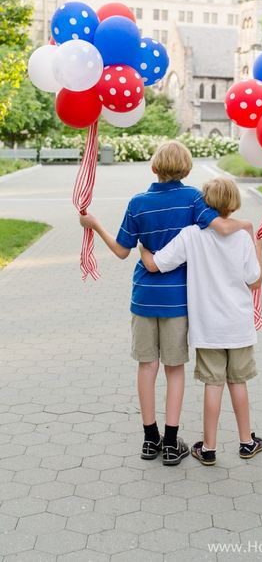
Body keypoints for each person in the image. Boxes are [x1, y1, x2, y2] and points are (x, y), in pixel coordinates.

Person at [79, 142, 253, 466]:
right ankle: (172, 443)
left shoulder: (138, 203)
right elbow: (220, 227)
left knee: (146, 366)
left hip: (143, 297)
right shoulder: (193, 199)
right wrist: (246, 226)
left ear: (153, 167)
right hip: (178, 301)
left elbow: (121, 251)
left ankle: (149, 438)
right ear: (187, 169)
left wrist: (93, 224)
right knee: (175, 369)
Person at [140, 177, 262, 466]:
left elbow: (157, 265)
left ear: (204, 203)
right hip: (238, 327)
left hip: (208, 328)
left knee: (213, 384)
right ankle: (247, 442)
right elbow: (254, 282)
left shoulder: (191, 235)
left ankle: (208, 448)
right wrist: (260, 248)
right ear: (234, 204)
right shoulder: (243, 237)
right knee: (239, 382)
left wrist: (143, 249)